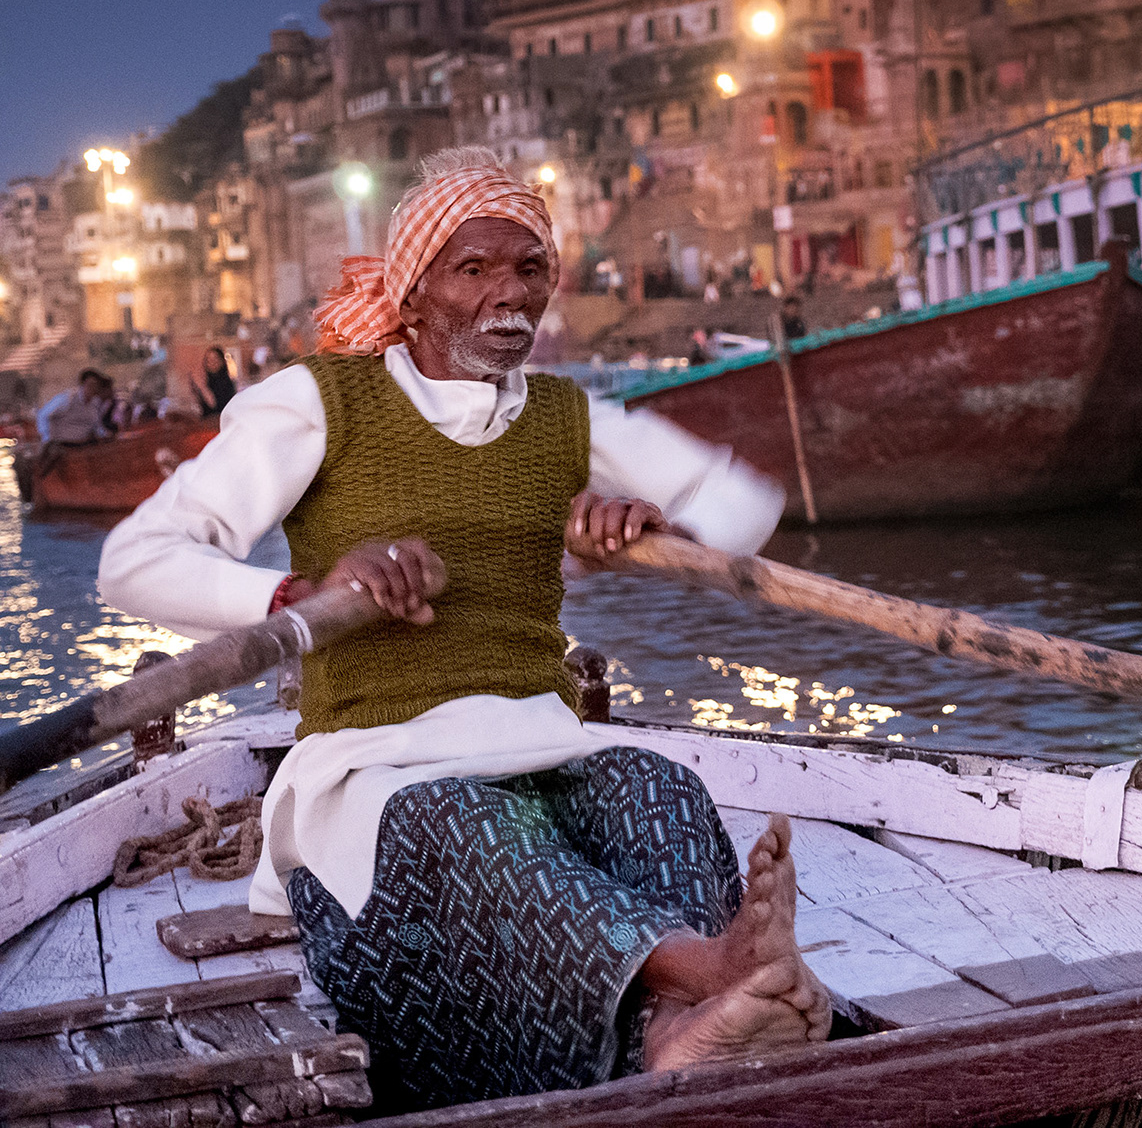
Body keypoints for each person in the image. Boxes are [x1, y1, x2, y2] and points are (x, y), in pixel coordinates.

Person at [99, 147, 827, 1112]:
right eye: (472, 269)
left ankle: (680, 1030)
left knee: (658, 785)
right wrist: (293, 595)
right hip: (372, 775)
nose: (507, 295)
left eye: (529, 269)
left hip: (541, 740)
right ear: (413, 293)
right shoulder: (319, 404)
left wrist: (643, 524)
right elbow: (133, 560)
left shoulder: (566, 415)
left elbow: (744, 507)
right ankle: (710, 969)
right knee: (472, 823)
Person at [36, 369, 116, 445]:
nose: (93, 388)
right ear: (83, 384)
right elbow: (43, 415)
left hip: (84, 445)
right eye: (90, 385)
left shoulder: (95, 403)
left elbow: (96, 426)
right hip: (63, 446)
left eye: (96, 385)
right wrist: (47, 440)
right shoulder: (68, 399)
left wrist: (105, 434)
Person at [193, 347, 237, 419]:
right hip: (206, 421)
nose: (211, 362)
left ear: (222, 361)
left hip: (219, 420)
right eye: (208, 360)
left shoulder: (226, 382)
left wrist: (202, 387)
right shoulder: (206, 379)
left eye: (215, 359)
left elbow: (214, 405)